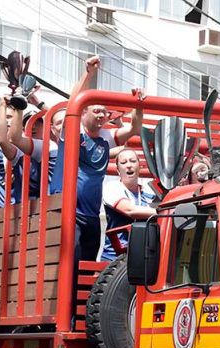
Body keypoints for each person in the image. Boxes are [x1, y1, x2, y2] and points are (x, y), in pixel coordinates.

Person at [66, 56, 145, 261]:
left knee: (88, 262)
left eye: (104, 112)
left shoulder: (106, 137)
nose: (102, 115)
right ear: (83, 113)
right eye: (96, 111)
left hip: (92, 214)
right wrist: (89, 73)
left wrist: (137, 104)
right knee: (72, 263)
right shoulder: (76, 132)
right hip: (72, 212)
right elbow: (71, 105)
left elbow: (135, 128)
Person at [101, 148, 155, 261]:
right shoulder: (112, 187)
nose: (129, 165)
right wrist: (162, 212)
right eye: (123, 162)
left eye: (133, 161)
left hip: (141, 256)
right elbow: (130, 211)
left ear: (139, 166)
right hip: (115, 258)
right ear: (118, 169)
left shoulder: (149, 192)